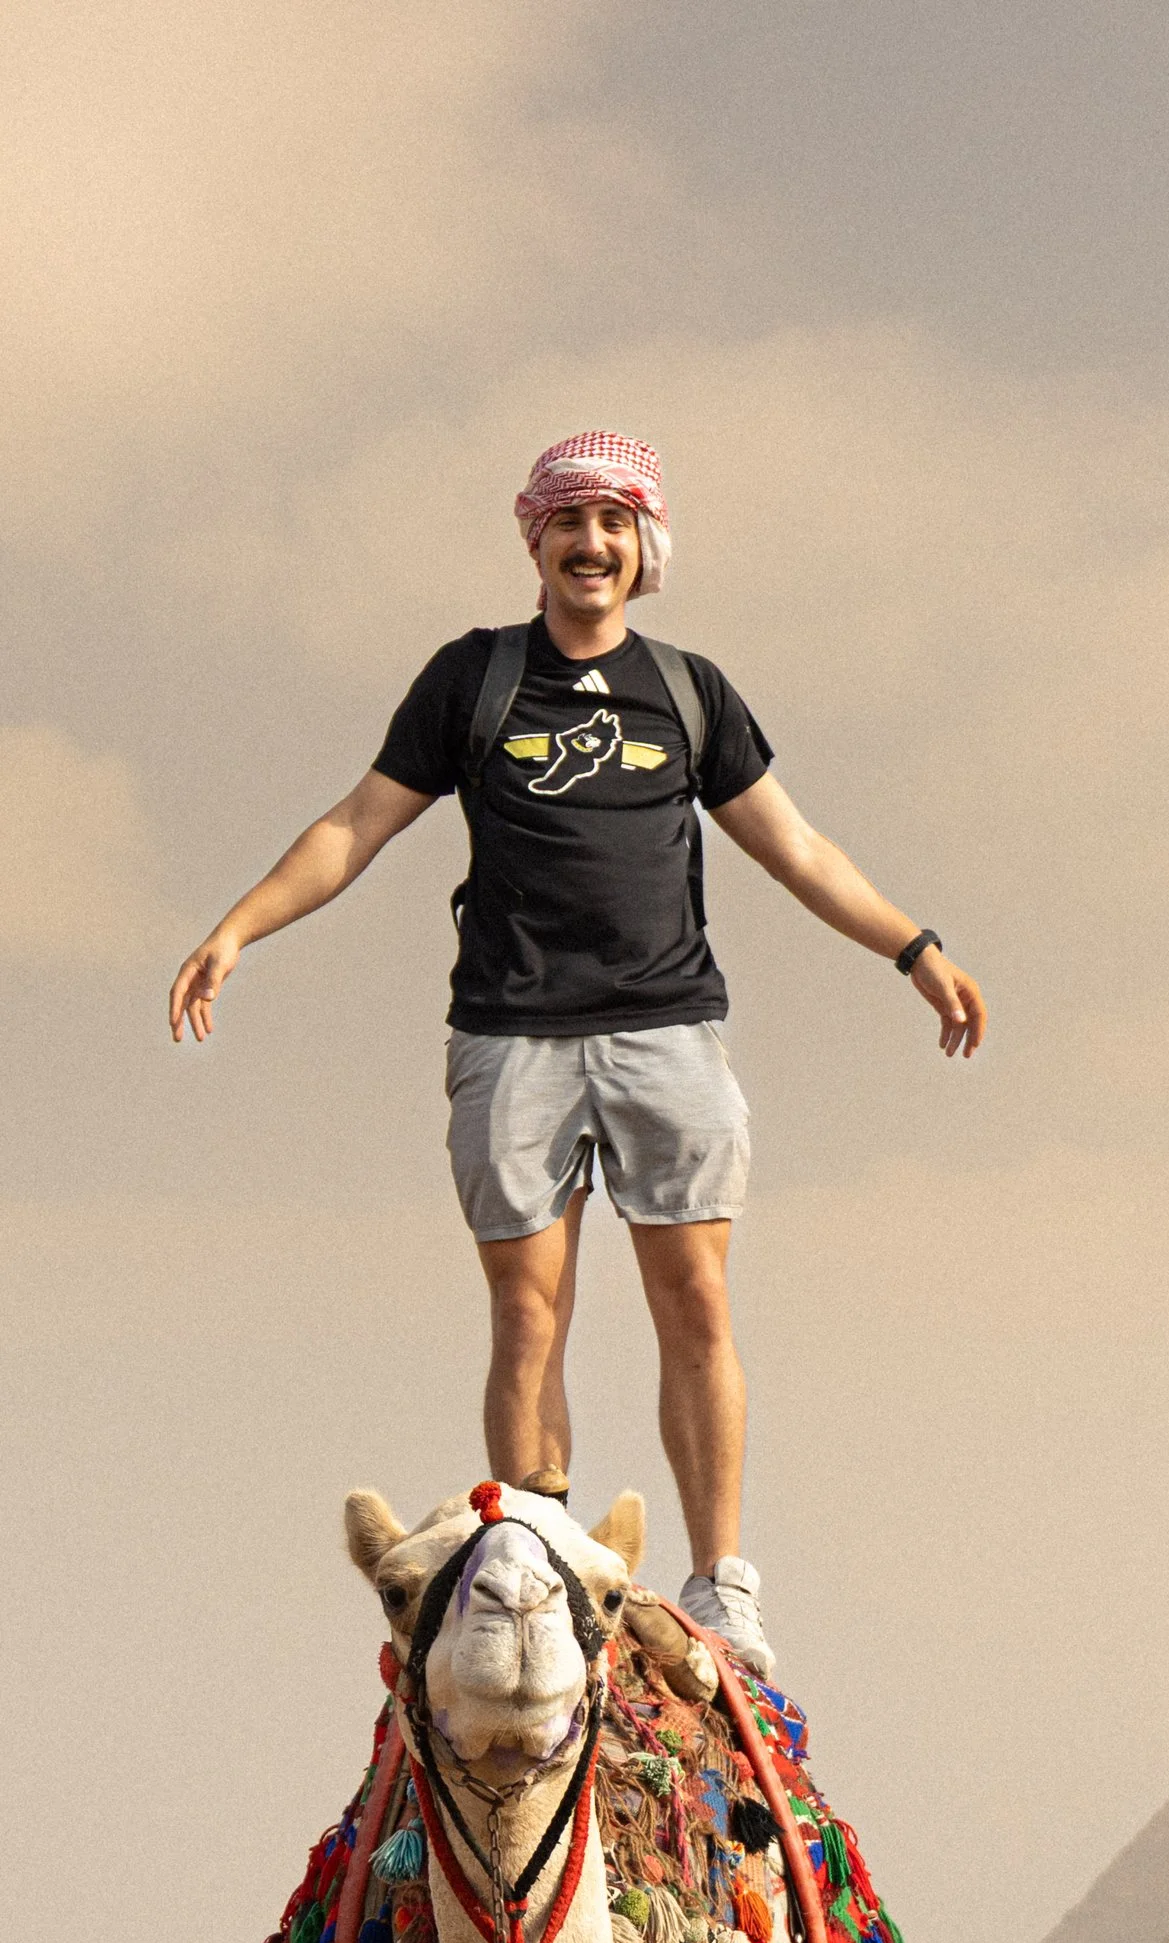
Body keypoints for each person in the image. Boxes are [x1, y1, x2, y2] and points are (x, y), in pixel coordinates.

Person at [168, 430, 985, 1674]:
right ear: (532, 536)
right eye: (570, 522)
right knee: (526, 1314)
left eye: (614, 523)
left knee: (696, 1301)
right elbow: (355, 824)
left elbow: (797, 849)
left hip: (667, 1030)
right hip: (511, 1035)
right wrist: (238, 929)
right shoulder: (475, 680)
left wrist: (914, 947)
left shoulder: (690, 690)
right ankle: (537, 1566)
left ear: (643, 543)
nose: (590, 544)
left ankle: (722, 1586)